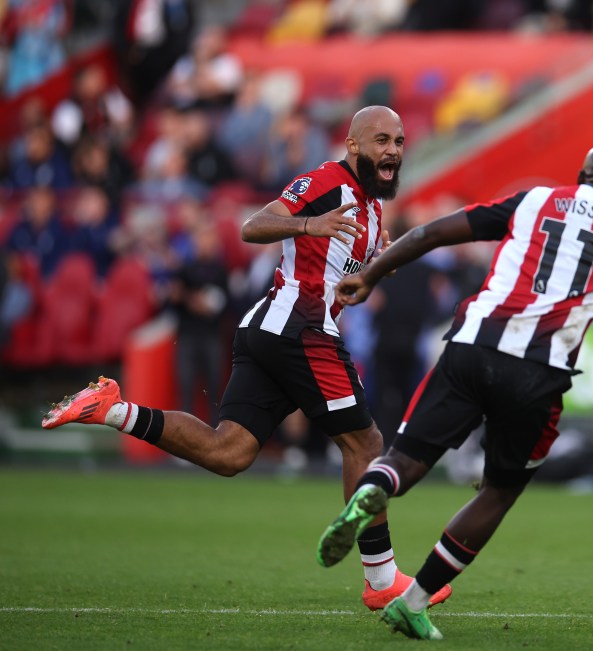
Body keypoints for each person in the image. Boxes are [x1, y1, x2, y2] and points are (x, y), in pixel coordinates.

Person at [40, 106, 452, 612]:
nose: (392, 150)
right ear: (352, 145)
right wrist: (307, 223)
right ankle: (381, 578)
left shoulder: (370, 209)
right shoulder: (326, 181)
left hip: (274, 329)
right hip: (297, 328)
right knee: (365, 442)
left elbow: (342, 288)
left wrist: (369, 273)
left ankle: (112, 409)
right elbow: (253, 225)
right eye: (382, 140)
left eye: (400, 141)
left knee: (228, 453)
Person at [315, 143, 593, 640]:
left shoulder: (536, 199)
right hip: (538, 373)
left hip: (473, 344)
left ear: (581, 175)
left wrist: (369, 275)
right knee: (498, 491)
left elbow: (432, 232)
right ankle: (415, 602)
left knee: (407, 456)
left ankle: (379, 485)